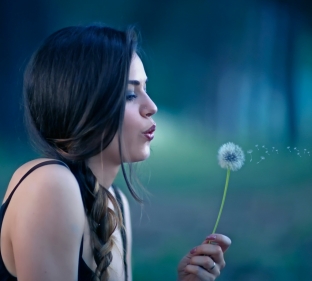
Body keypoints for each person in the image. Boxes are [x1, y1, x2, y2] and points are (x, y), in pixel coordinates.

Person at [0, 24, 231, 281]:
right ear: (83, 104)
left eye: (145, 89)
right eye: (131, 94)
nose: (151, 106)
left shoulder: (114, 203)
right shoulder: (50, 185)